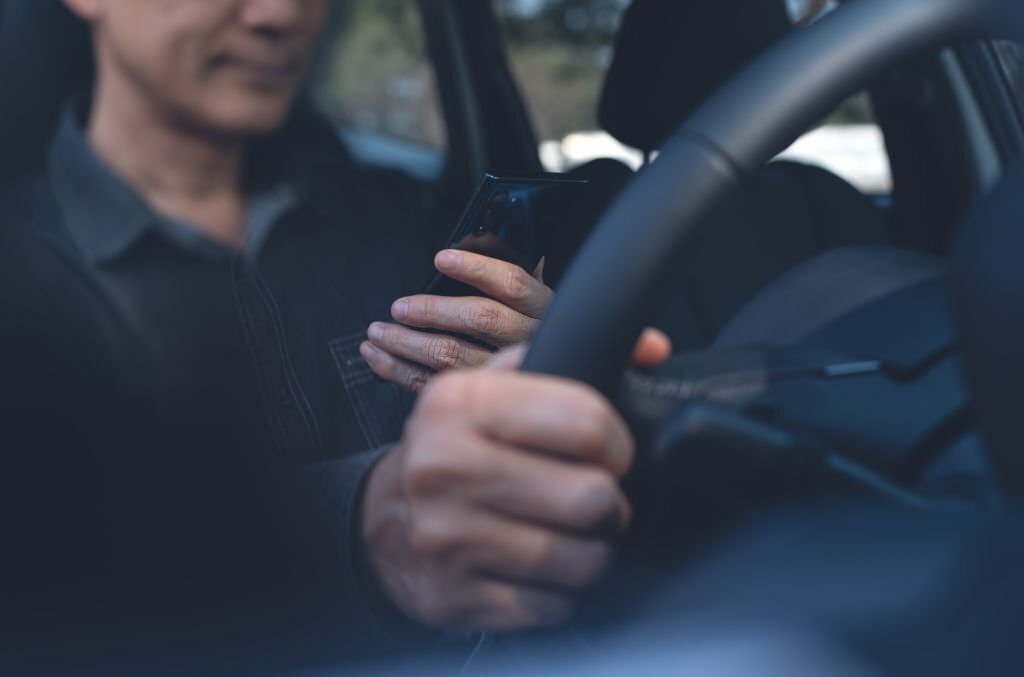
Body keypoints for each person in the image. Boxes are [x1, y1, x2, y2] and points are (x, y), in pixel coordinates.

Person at [0, 0, 670, 664]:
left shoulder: (410, 226)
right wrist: (368, 526)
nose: (281, 15)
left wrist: (546, 381)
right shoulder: (23, 289)